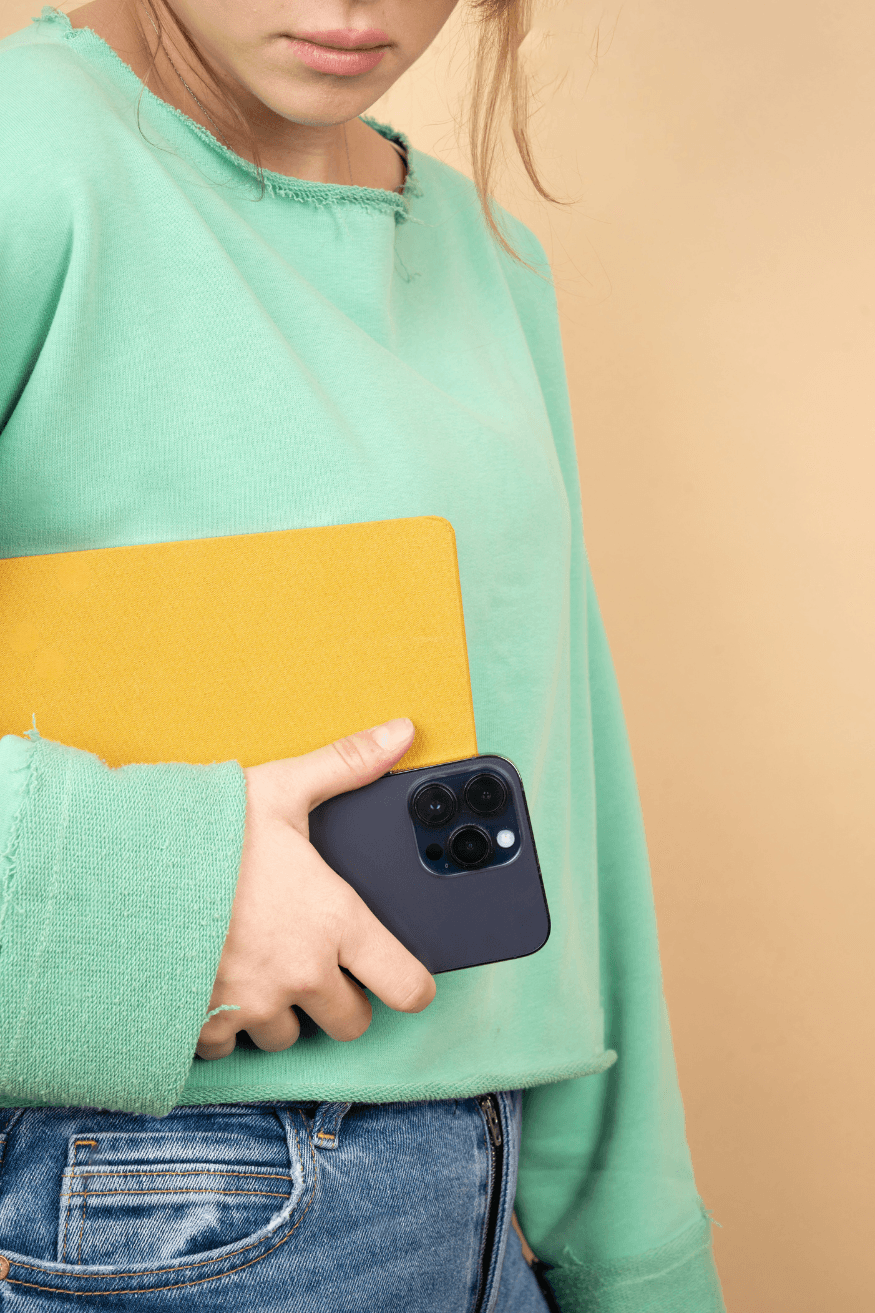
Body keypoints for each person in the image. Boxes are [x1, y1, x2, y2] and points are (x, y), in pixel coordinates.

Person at [0, 2, 726, 1309]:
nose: (352, 7)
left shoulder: (477, 245)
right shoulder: (28, 153)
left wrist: (636, 1257)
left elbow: (568, 761)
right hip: (148, 1204)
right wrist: (143, 899)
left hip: (492, 1214)